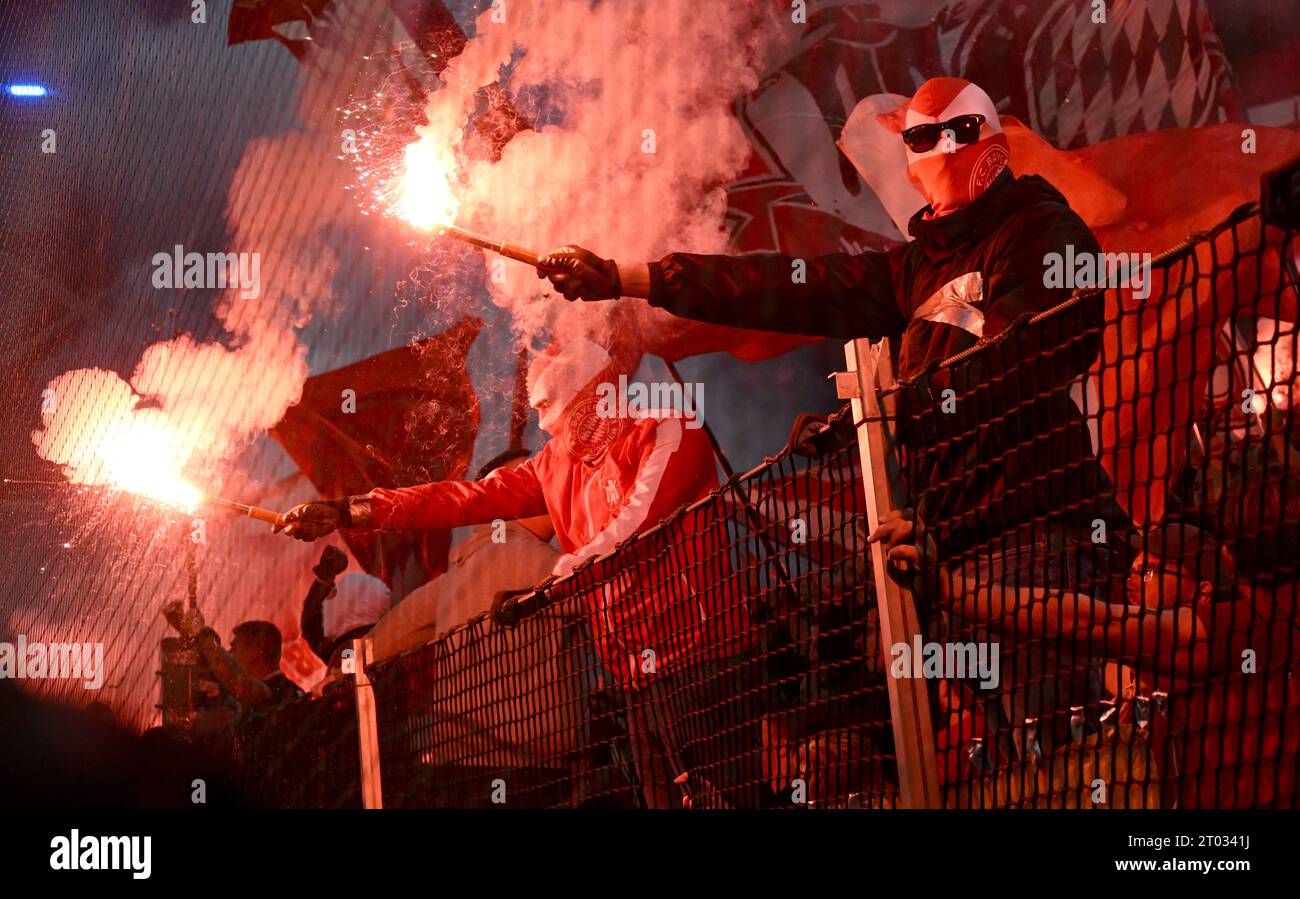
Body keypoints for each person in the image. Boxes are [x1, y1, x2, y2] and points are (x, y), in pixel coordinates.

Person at [538, 75, 1119, 763]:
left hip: (1036, 531)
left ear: (983, 141)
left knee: (1062, 754)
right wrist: (633, 277)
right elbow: (785, 286)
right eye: (918, 139)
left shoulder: (1042, 232)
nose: (929, 153)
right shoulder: (912, 271)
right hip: (947, 552)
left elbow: (1030, 355)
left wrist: (880, 412)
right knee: (1002, 762)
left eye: (943, 136)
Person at [161, 604, 301, 712]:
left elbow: (234, 678)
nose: (229, 653)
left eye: (234, 648)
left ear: (254, 652)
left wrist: (202, 634)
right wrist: (191, 633)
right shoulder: (284, 689)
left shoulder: (278, 693)